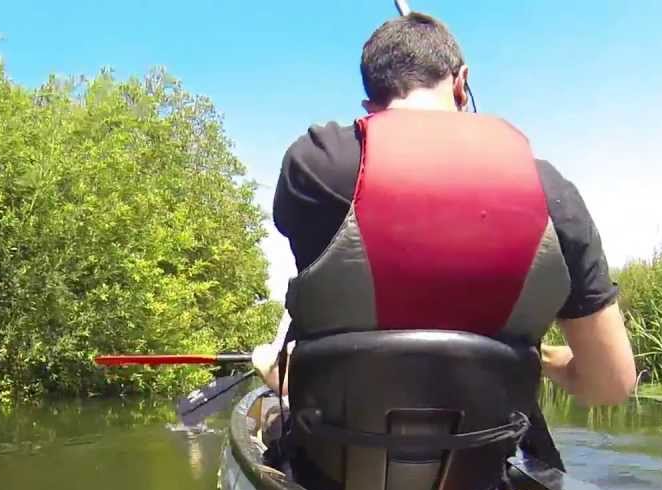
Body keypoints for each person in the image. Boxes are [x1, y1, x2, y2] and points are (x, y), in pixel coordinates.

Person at [253, 12, 636, 409]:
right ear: (461, 83)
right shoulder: (552, 193)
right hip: (479, 461)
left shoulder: (313, 164)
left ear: (370, 104)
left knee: (270, 364)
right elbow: (611, 384)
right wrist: (538, 355)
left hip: (332, 457)